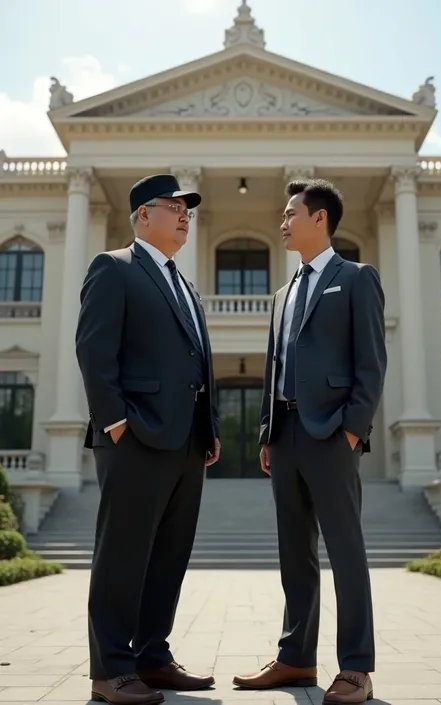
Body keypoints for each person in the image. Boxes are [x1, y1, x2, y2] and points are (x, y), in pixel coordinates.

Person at [233, 179, 387, 704]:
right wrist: (266, 433)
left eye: (290, 212)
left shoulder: (357, 278)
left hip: (332, 435)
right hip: (287, 434)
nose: (282, 221)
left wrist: (352, 430)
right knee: (294, 554)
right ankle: (296, 659)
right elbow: (274, 369)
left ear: (318, 218)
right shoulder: (281, 295)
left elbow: (371, 363)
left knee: (345, 552)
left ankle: (357, 668)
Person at [76, 174, 220, 705]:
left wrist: (208, 429)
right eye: (173, 207)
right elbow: (94, 349)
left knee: (168, 555)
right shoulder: (113, 268)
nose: (185, 215)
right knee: (123, 554)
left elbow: (196, 363)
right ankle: (110, 670)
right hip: (135, 436)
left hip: (185, 442)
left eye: (189, 209)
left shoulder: (184, 284)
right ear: (142, 215)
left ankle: (152, 658)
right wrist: (116, 422)